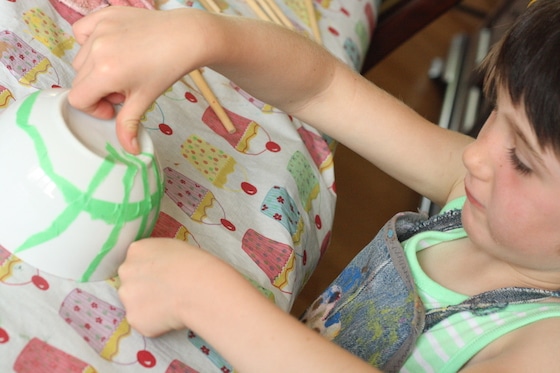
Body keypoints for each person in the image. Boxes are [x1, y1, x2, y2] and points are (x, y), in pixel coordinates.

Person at [68, 0, 560, 371]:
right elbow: (321, 86)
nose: (475, 153)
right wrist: (204, 35)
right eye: (496, 112)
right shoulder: (471, 190)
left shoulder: (544, 346)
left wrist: (210, 301)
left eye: (522, 159)